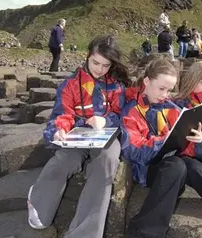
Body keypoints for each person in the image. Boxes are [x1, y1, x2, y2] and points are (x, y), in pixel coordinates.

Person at [121, 58, 202, 238]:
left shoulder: (172, 108)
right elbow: (132, 151)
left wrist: (200, 141)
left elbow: (198, 150)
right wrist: (163, 141)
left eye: (168, 90)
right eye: (161, 89)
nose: (165, 95)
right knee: (178, 164)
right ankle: (143, 233)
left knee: (196, 167)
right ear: (146, 81)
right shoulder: (132, 110)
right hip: (148, 170)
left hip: (174, 167)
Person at [27, 35, 131, 238]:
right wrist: (59, 130)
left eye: (106, 65)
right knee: (67, 158)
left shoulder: (118, 86)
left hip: (106, 136)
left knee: (108, 160)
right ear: (87, 57)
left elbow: (122, 115)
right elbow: (61, 114)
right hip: (77, 136)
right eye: (95, 63)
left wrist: (106, 120)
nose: (100, 69)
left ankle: (84, 234)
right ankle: (38, 200)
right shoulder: (70, 84)